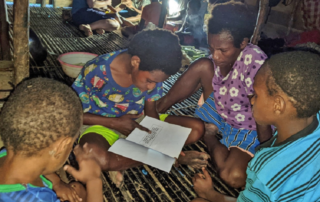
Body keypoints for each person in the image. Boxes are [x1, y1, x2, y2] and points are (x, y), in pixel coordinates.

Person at [72, 29, 210, 188]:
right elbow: (73, 114)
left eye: (156, 82)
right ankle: (169, 159)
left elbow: (151, 111)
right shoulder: (96, 70)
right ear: (135, 62)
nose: (151, 86)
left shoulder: (155, 70)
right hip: (100, 125)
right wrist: (115, 123)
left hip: (139, 121)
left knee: (196, 128)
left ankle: (122, 159)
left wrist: (157, 136)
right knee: (95, 156)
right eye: (149, 81)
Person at [157, 4, 273, 189]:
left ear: (243, 43)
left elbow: (262, 111)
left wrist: (268, 151)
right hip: (221, 106)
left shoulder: (255, 61)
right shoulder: (218, 55)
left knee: (233, 176)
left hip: (247, 124)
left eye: (223, 50)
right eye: (212, 47)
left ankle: (209, 136)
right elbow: (214, 63)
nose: (216, 56)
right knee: (202, 65)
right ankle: (155, 112)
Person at [191, 49, 320, 202]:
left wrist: (210, 194)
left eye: (256, 95)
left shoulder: (266, 171)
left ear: (278, 105)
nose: (251, 101)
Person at [0, 78, 103, 202]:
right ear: (62, 146)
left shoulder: (8, 154)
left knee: (77, 190)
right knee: (80, 192)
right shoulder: (38, 199)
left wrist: (57, 182)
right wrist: (93, 180)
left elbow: (39, 167)